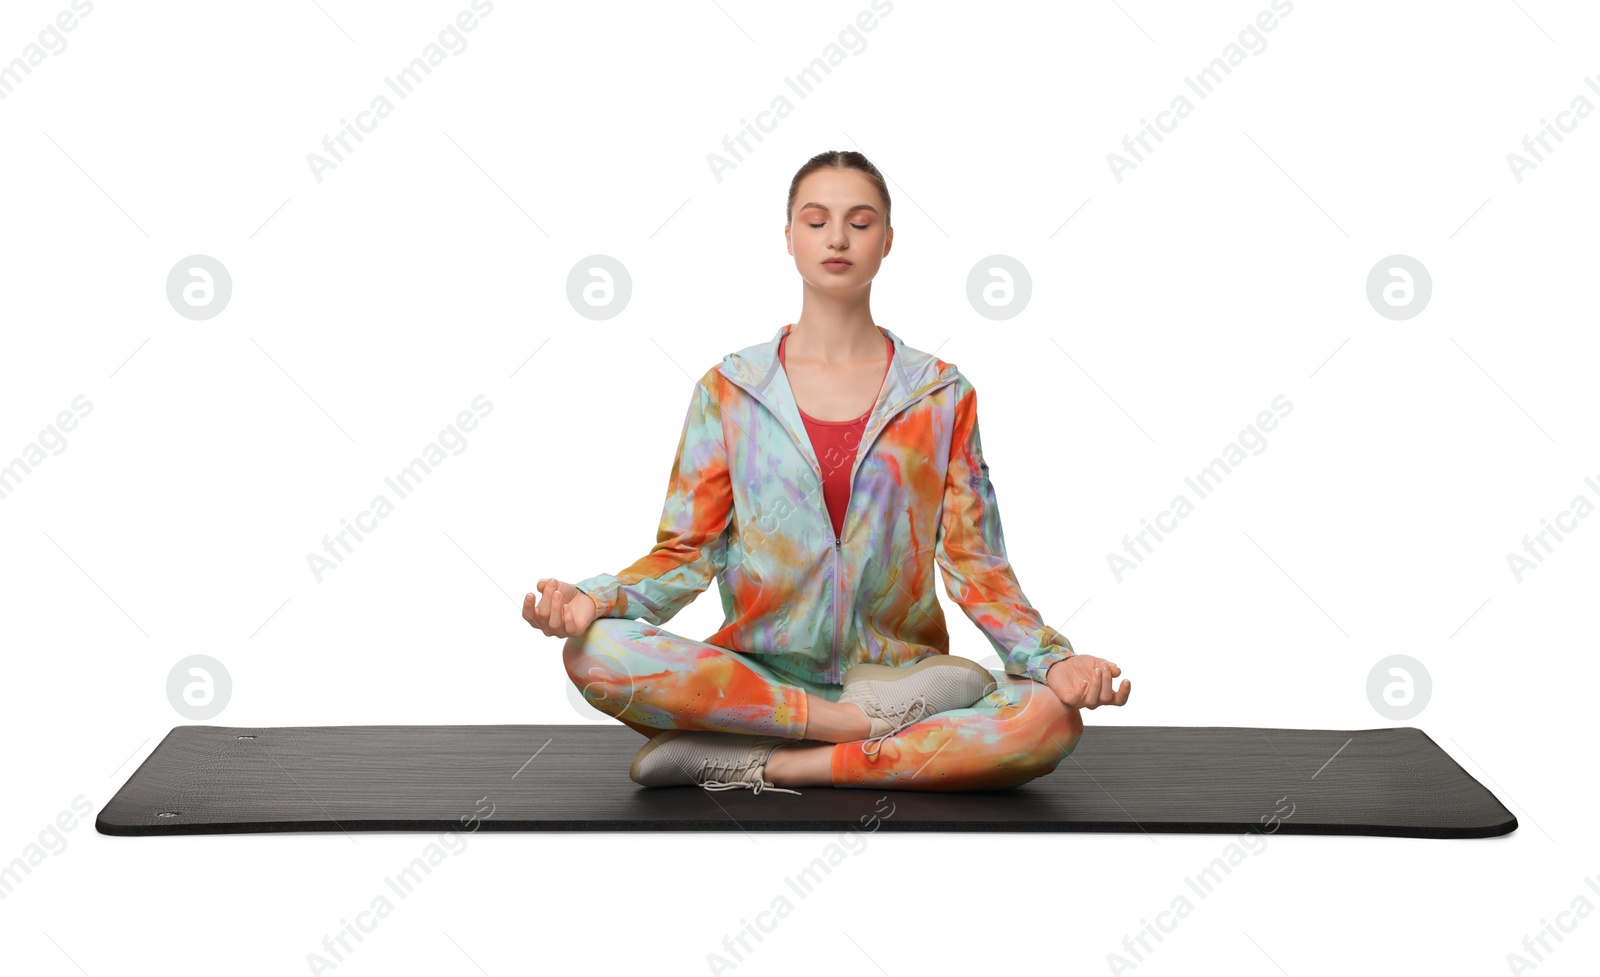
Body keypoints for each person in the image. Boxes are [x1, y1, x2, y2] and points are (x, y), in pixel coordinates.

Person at [525, 150, 1130, 795]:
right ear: (788, 238)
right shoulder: (731, 390)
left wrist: (1053, 661)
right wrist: (596, 600)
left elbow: (977, 568)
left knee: (1047, 720)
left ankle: (770, 760)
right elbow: (684, 554)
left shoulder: (941, 396)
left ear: (888, 240)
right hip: (756, 676)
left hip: (902, 678)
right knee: (593, 652)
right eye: (816, 221)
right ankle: (850, 729)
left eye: (860, 222)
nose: (837, 238)